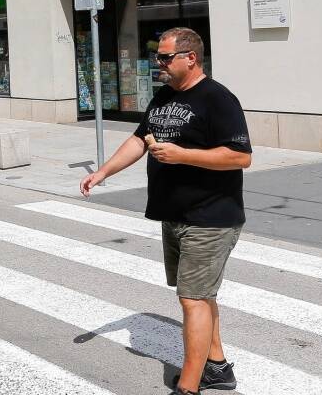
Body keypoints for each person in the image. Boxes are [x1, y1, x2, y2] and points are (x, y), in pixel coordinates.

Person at [79, 27, 251, 395]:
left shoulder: (218, 100)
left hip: (209, 218)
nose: (158, 63)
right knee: (201, 296)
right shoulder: (164, 96)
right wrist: (103, 171)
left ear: (191, 58)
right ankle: (217, 368)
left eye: (165, 57)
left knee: (191, 299)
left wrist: (181, 154)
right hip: (174, 216)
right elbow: (140, 139)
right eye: (157, 56)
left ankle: (189, 387)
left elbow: (240, 156)